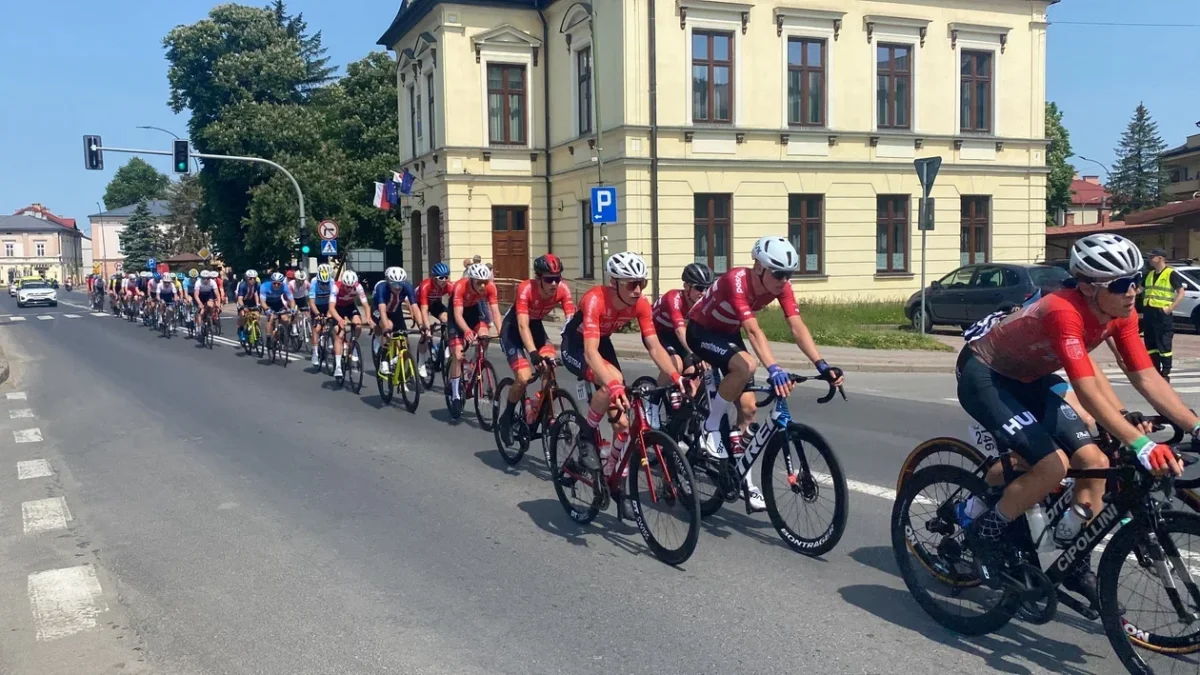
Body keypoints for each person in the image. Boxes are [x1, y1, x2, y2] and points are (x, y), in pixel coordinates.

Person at [958, 233, 1196, 608]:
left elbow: (1146, 376)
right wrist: (1140, 443)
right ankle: (983, 534)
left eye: (1135, 279)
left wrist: (1195, 425)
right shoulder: (1062, 310)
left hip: (1033, 379)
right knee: (1053, 466)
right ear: (1087, 287)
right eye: (1120, 284)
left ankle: (1074, 562)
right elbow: (1085, 388)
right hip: (987, 377)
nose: (1132, 290)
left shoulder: (1122, 313)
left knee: (1096, 463)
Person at [687, 236, 844, 512]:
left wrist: (822, 364)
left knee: (748, 410)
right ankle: (709, 426)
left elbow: (796, 326)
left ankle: (740, 476)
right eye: (778, 273)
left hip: (727, 333)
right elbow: (753, 331)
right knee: (747, 365)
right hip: (701, 331)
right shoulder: (737, 280)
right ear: (758, 267)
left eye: (789, 274)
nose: (784, 280)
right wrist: (774, 369)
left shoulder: (782, 287)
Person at [560, 252, 682, 520]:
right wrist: (613, 386)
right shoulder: (594, 300)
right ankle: (585, 436)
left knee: (624, 426)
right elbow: (591, 353)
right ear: (614, 282)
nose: (638, 290)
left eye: (642, 283)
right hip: (577, 345)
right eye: (631, 284)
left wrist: (674, 376)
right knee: (611, 384)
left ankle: (618, 482)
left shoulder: (641, 304)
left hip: (602, 342)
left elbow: (653, 345)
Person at [497, 254, 574, 445]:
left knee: (550, 364)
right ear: (538, 278)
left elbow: (571, 323)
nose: (554, 283)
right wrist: (533, 354)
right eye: (549, 279)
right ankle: (506, 417)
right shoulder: (526, 289)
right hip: (513, 330)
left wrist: (573, 348)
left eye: (558, 278)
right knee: (523, 377)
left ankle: (541, 407)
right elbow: (523, 326)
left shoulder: (563, 290)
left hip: (536, 327)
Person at [447, 263, 502, 418]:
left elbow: (496, 312)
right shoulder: (460, 287)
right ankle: (456, 394)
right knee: (457, 354)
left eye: (485, 282)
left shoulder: (490, 287)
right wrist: (467, 331)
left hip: (473, 312)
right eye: (479, 282)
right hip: (457, 314)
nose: (483, 285)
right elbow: (458, 315)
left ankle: (474, 364)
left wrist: (501, 331)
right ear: (471, 280)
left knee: (484, 335)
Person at [651, 262, 713, 396]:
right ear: (686, 286)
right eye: (699, 288)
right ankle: (653, 400)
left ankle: (682, 410)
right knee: (676, 365)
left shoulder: (703, 303)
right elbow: (680, 330)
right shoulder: (673, 298)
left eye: (707, 288)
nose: (703, 293)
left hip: (674, 334)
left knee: (692, 371)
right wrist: (696, 352)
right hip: (656, 333)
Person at [1142, 247, 1185, 381]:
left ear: (1160, 258)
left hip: (1162, 313)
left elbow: (1181, 292)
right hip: (1149, 312)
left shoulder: (1171, 273)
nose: (1149, 259)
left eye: (1152, 257)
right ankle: (1155, 370)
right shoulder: (1149, 274)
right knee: (1150, 342)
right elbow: (1139, 289)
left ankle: (1165, 372)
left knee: (1164, 343)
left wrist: (1170, 308)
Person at [371, 267, 419, 376]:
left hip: (395, 312)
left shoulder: (407, 287)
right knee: (389, 326)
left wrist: (421, 325)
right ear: (388, 282)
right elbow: (382, 311)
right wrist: (387, 329)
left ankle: (400, 362)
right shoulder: (381, 287)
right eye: (394, 284)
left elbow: (414, 306)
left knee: (404, 342)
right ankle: (383, 360)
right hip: (378, 310)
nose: (397, 287)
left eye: (400, 284)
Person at [328, 269, 375, 379]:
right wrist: (339, 319)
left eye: (351, 287)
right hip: (337, 308)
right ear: (343, 284)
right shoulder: (336, 287)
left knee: (358, 325)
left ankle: (352, 346)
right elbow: (331, 307)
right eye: (346, 287)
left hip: (349, 307)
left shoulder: (358, 286)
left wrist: (368, 318)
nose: (349, 289)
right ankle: (338, 366)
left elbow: (366, 305)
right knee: (339, 335)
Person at [415, 261, 452, 377]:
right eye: (441, 277)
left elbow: (457, 304)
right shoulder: (426, 285)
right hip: (419, 304)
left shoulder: (448, 285)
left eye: (447, 277)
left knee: (447, 319)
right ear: (434, 278)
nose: (444, 280)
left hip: (435, 303)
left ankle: (443, 346)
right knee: (425, 331)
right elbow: (424, 310)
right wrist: (427, 328)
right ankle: (421, 362)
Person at [307, 265, 335, 366]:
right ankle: (315, 352)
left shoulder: (332, 283)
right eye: (322, 283)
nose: (324, 285)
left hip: (328, 305)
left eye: (326, 283)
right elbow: (311, 302)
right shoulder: (314, 284)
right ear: (318, 281)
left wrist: (329, 313)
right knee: (317, 328)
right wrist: (318, 314)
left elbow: (334, 300)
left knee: (332, 324)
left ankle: (331, 342)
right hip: (316, 307)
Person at [259, 272, 295, 342]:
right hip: (267, 304)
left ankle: (282, 332)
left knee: (285, 318)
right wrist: (267, 309)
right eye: (274, 283)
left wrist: (292, 309)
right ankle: (268, 337)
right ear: (271, 282)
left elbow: (292, 300)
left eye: (278, 284)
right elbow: (262, 302)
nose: (276, 285)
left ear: (282, 283)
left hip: (278, 303)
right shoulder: (264, 286)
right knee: (271, 318)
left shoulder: (285, 287)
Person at [235, 270, 261, 342]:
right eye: (250, 278)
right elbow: (240, 298)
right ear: (247, 278)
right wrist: (243, 307)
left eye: (254, 278)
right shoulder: (242, 285)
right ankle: (241, 331)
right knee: (243, 315)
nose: (252, 280)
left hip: (251, 301)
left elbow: (256, 294)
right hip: (243, 301)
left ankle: (256, 332)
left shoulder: (257, 284)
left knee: (257, 315)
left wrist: (258, 304)